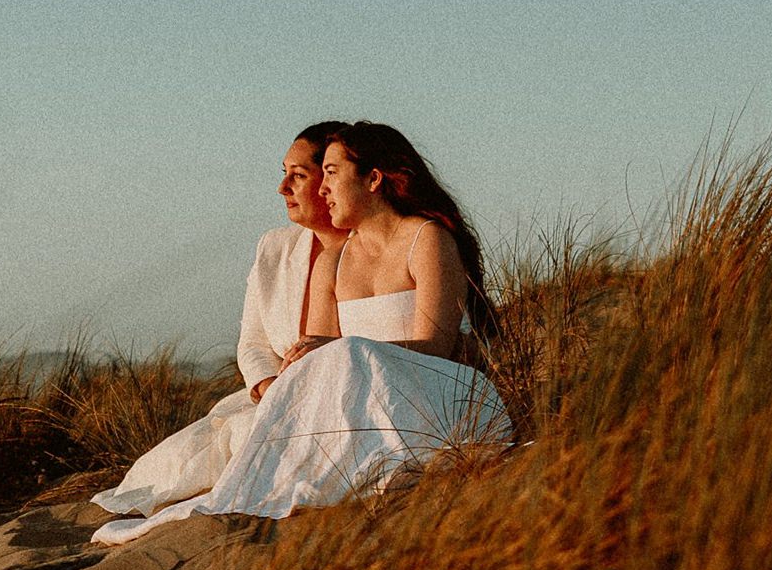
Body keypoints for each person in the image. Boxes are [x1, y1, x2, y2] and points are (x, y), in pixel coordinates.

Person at [93, 122, 510, 547]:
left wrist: (345, 350)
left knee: (342, 357)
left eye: (330, 173)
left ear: (373, 178)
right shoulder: (333, 262)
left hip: (434, 394)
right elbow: (314, 361)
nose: (324, 188)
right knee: (319, 372)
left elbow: (436, 349)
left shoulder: (428, 239)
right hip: (360, 402)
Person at [91, 123, 350, 518]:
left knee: (249, 448)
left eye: (298, 176)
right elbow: (252, 342)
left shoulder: (368, 249)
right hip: (268, 397)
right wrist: (266, 384)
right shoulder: (274, 247)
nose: (283, 188)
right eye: (283, 174)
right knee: (171, 463)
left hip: (331, 403)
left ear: (331, 179)